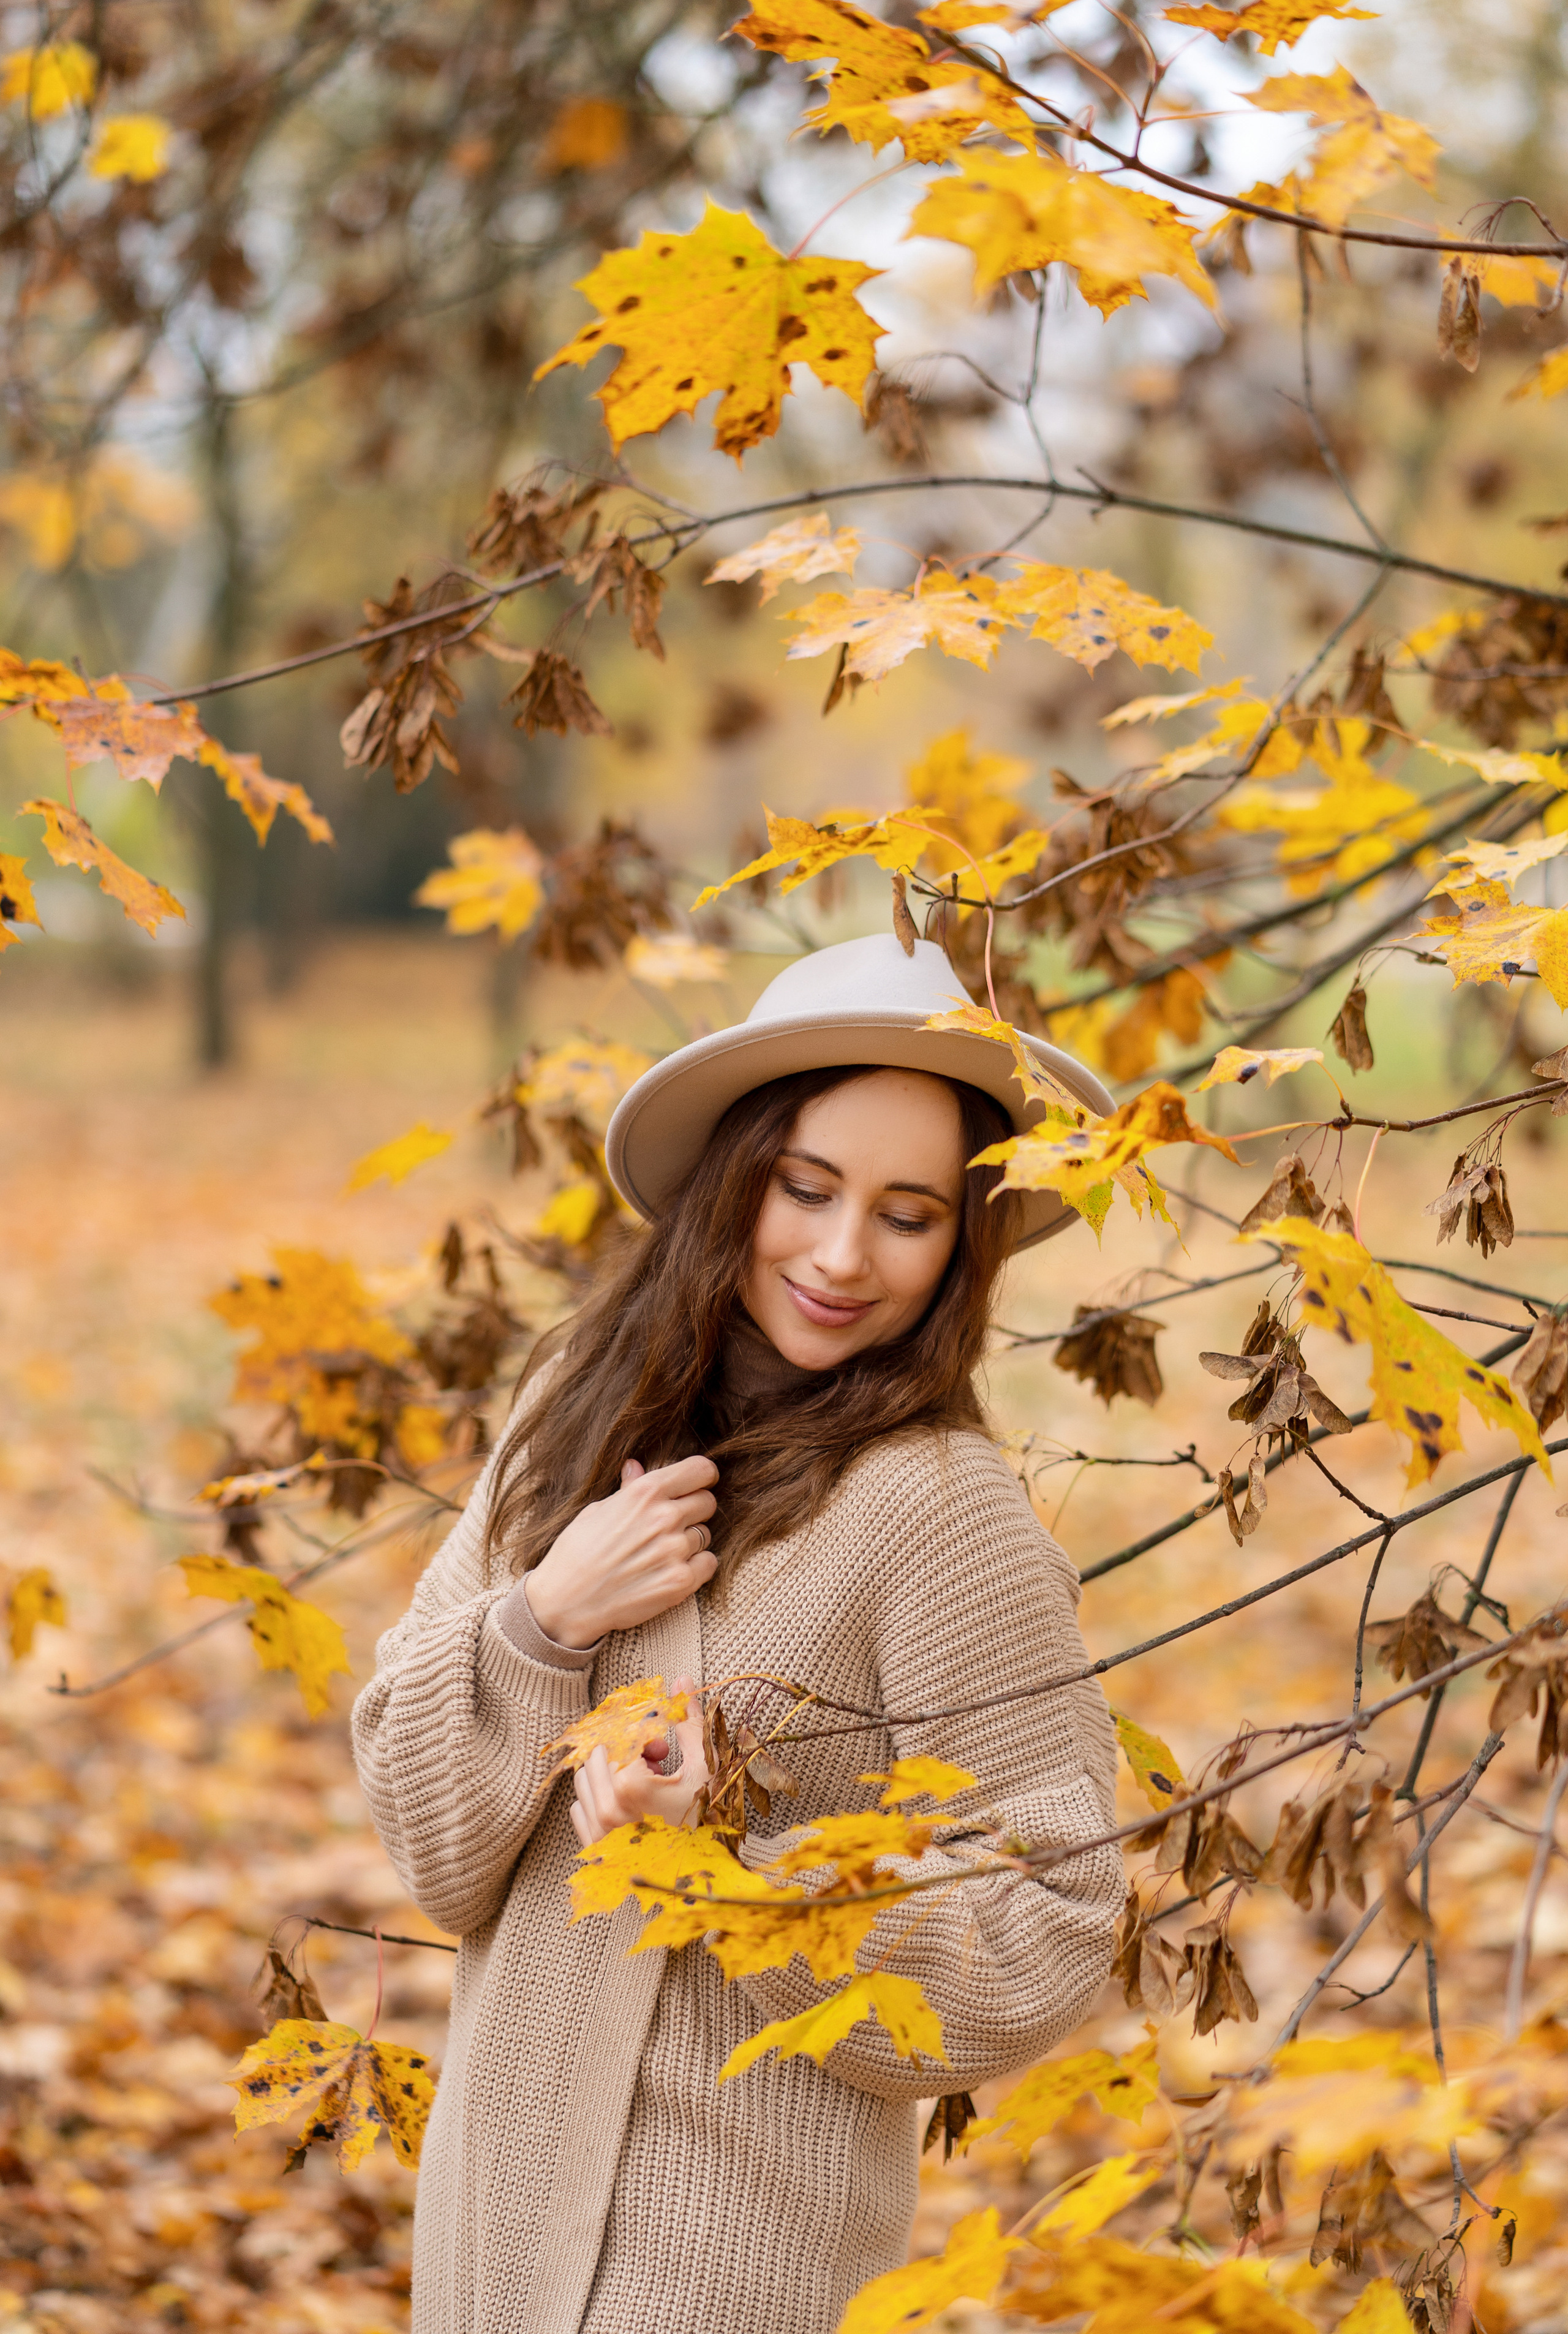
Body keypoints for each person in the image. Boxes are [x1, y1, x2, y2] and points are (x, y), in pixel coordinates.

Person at [352, 932, 1124, 2334]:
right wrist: (542, 1624)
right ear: (734, 1177)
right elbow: (433, 1854)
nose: (840, 1256)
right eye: (804, 1188)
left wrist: (732, 1874)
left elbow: (1049, 1912)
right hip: (489, 2222)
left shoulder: (938, 1510)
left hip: (727, 2251)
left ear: (963, 1245)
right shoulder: (568, 1420)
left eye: (907, 1215)